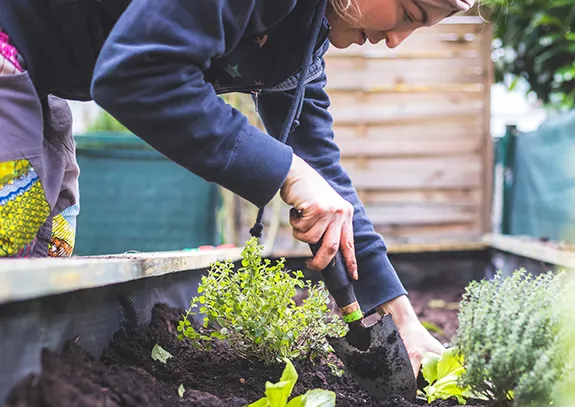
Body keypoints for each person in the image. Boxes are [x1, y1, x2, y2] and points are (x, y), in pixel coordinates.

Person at [0, 0, 474, 375]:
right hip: (11, 41)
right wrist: (287, 172)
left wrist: (400, 316)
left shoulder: (302, 33)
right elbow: (138, 76)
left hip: (40, 73)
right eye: (409, 14)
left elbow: (324, 174)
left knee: (39, 274)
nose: (396, 41)